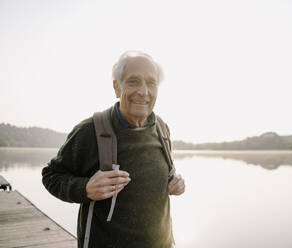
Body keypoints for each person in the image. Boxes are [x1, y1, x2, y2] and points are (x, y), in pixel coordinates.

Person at [42, 51, 185, 248]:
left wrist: (175, 183)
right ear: (117, 87)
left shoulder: (162, 128)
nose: (144, 91)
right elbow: (51, 176)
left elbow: (163, 175)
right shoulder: (90, 131)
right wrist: (84, 188)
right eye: (134, 81)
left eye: (151, 83)